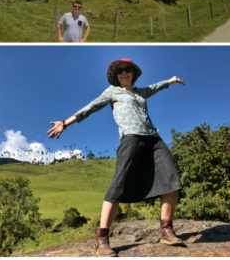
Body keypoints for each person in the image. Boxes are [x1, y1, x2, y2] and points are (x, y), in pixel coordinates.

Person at [47, 58, 186, 256]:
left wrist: (171, 80)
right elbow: (91, 107)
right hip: (130, 138)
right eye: (119, 70)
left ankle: (166, 231)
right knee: (118, 185)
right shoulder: (112, 91)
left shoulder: (140, 92)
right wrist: (65, 122)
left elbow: (156, 87)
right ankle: (102, 239)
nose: (124, 73)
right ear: (115, 74)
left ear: (133, 73)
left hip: (153, 139)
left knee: (172, 180)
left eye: (127, 69)